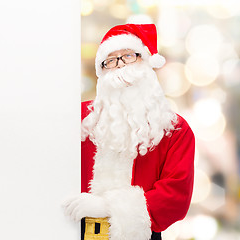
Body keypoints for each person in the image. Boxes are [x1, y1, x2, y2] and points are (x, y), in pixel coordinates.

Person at [63, 23, 195, 240]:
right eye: (111, 60)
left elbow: (175, 197)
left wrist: (108, 207)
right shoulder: (79, 118)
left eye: (128, 56)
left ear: (146, 62)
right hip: (70, 231)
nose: (120, 66)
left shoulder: (174, 129)